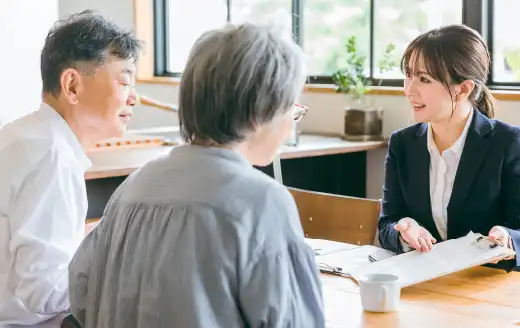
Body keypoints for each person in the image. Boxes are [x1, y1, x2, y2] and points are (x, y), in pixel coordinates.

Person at [68, 23, 325, 328]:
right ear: (261, 111)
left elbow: (81, 298)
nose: (291, 124)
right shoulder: (262, 202)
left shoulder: (133, 187)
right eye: (292, 108)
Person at [0, 10, 141, 327]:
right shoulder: (51, 156)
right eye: (124, 81)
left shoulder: (28, 136)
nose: (134, 97)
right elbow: (44, 293)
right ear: (72, 85)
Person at [378, 24, 520, 272]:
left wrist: (508, 237)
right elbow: (387, 224)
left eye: (424, 79)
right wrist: (404, 231)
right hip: (427, 284)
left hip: (489, 289)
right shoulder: (402, 143)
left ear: (464, 88)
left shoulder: (509, 143)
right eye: (409, 75)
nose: (409, 89)